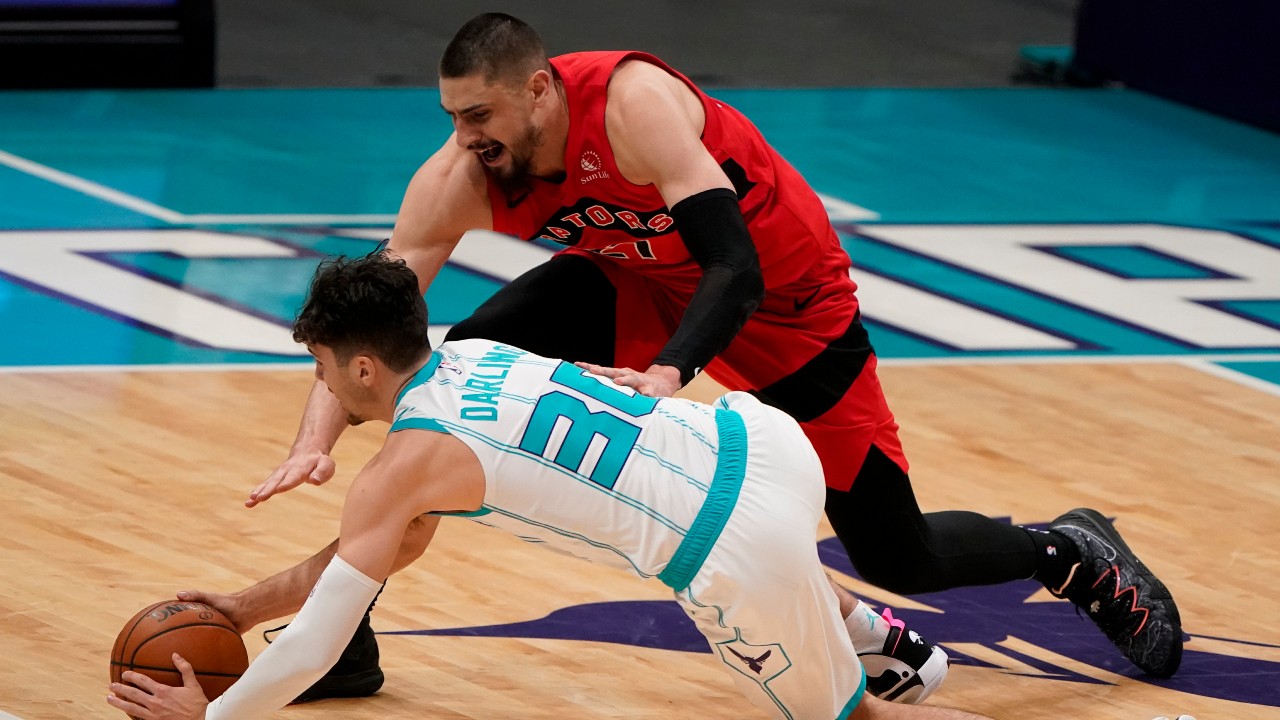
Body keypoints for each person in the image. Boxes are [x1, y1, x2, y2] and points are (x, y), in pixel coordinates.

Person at [250, 12, 1182, 701]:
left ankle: (1068, 550)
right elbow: (367, 321)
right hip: (634, 283)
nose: (466, 139)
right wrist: (315, 437)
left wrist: (668, 375)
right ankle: (348, 638)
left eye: (480, 114)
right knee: (449, 385)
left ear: (541, 90)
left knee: (903, 553)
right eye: (453, 118)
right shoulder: (464, 173)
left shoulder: (632, 105)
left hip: (783, 302)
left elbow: (732, 265)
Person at [106, 253, 994, 720]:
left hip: (734, 548)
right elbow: (393, 546)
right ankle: (871, 632)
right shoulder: (480, 354)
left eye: (324, 369)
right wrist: (239, 606)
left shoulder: (400, 468)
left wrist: (215, 714)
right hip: (760, 441)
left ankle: (868, 670)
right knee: (722, 511)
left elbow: (317, 649)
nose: (325, 389)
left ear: (366, 367)